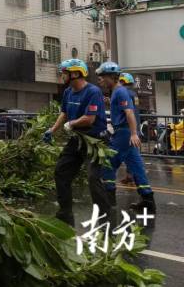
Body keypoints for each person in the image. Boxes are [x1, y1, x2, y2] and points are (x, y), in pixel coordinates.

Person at [43, 59, 110, 226]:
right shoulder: (68, 92)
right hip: (77, 139)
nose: (62, 76)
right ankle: (65, 214)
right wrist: (52, 130)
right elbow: (64, 113)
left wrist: (72, 124)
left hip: (94, 140)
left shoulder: (93, 92)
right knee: (61, 172)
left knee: (94, 178)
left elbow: (89, 119)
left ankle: (104, 217)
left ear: (75, 73)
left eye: (64, 73)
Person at [96, 63, 155, 215]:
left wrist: (134, 134)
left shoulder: (121, 92)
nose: (100, 80)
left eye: (102, 77)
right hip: (125, 132)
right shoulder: (117, 92)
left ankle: (109, 200)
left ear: (112, 77)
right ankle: (148, 201)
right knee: (136, 167)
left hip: (123, 133)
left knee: (108, 164)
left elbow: (129, 113)